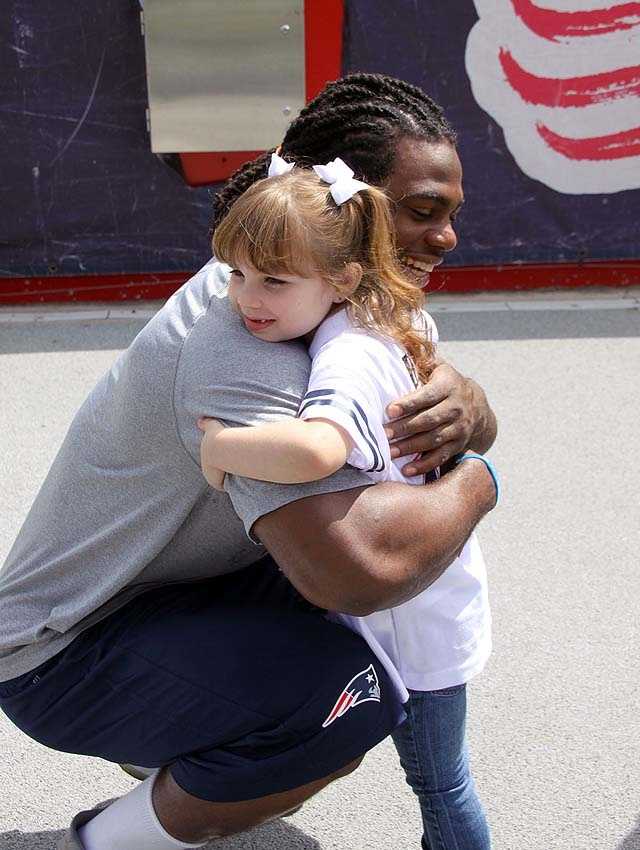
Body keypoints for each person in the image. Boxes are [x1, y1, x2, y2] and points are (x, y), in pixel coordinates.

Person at [0, 73, 497, 850]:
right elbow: (355, 573)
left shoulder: (328, 297)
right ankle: (104, 840)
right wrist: (483, 480)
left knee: (364, 600)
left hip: (170, 592)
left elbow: (433, 423)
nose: (446, 238)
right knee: (352, 697)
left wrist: (467, 401)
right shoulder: (244, 340)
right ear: (344, 210)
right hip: (62, 650)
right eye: (422, 211)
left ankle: (187, 740)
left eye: (450, 214)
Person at [200, 153, 496, 849]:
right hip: (427, 591)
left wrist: (220, 449)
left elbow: (318, 451)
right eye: (236, 275)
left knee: (440, 781)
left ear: (343, 276)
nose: (248, 298)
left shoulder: (344, 357)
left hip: (411, 615)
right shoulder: (386, 316)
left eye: (274, 279)